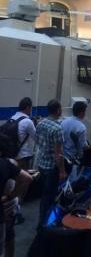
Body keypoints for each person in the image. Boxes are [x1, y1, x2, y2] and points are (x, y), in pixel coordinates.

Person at [35, 99, 65, 228]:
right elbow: (59, 154)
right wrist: (63, 171)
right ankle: (45, 225)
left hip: (41, 164)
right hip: (51, 167)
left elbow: (38, 142)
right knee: (50, 197)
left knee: (45, 194)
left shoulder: (41, 123)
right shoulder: (57, 128)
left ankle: (43, 222)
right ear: (58, 110)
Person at [0, 135, 32, 257]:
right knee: (8, 237)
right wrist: (10, 196)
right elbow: (26, 179)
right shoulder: (9, 163)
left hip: (6, 206)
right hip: (8, 205)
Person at [11, 97, 36, 170]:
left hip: (13, 154)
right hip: (23, 156)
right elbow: (36, 137)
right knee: (25, 179)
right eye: (31, 107)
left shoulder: (13, 118)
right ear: (28, 107)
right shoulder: (28, 121)